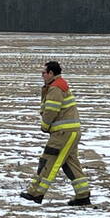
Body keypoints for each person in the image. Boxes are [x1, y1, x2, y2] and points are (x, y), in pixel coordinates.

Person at [21, 61, 91, 206]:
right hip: (71, 132)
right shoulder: (60, 85)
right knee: (71, 164)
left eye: (44, 72)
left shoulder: (55, 88)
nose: (42, 75)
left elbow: (51, 111)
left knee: (48, 161)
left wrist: (45, 126)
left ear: (51, 73)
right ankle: (82, 195)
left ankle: (36, 193)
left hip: (62, 134)